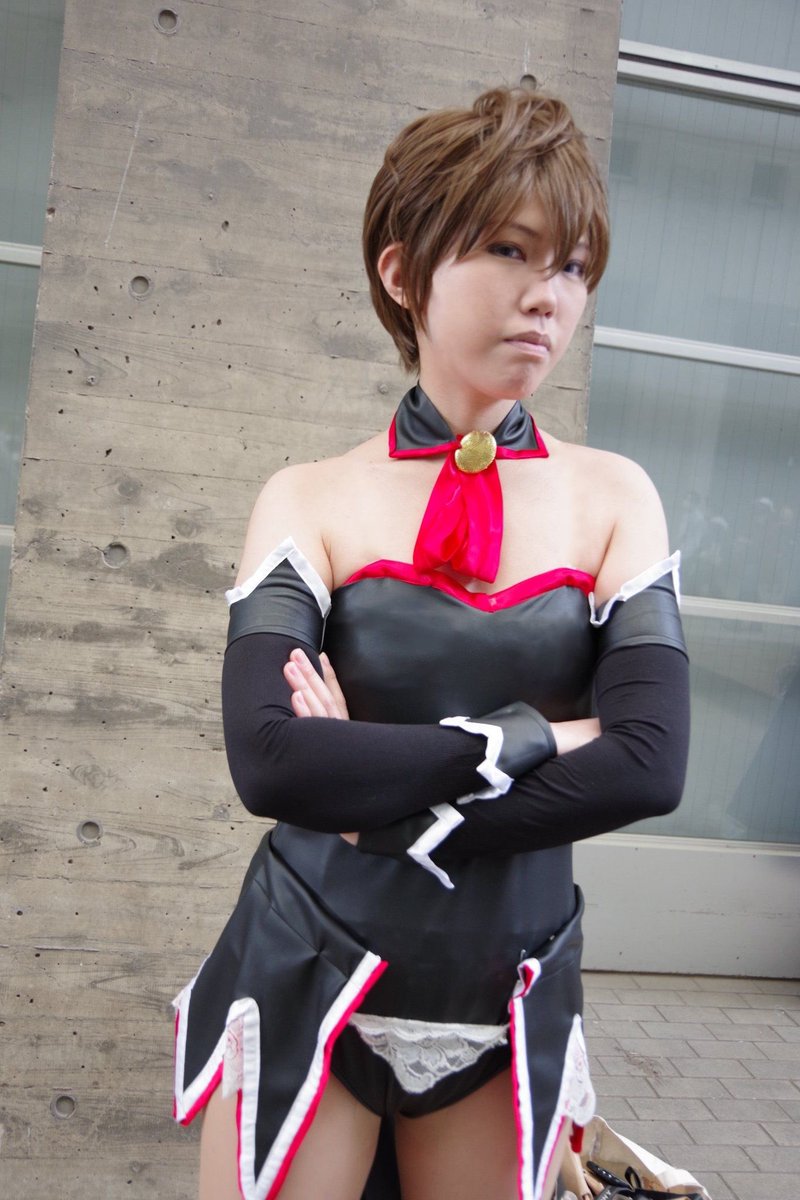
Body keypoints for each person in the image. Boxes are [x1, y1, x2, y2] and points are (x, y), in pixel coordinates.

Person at [172, 86, 690, 1200]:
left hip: (508, 992)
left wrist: (378, 801)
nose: (547, 295)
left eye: (573, 266)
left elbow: (649, 764)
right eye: (509, 250)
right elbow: (273, 762)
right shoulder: (309, 495)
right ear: (403, 273)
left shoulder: (615, 496)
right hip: (307, 970)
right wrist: (538, 735)